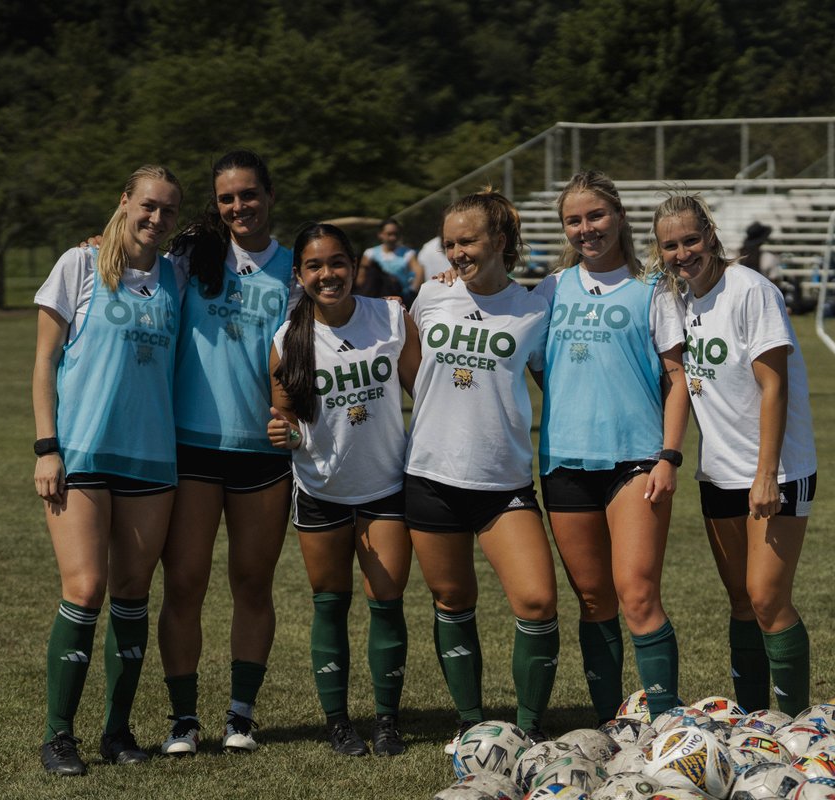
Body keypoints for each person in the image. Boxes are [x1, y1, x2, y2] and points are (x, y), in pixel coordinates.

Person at [32, 165, 183, 775]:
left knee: (131, 594)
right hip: (83, 453)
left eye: (168, 211)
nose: (156, 219)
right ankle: (58, 735)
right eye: (147, 206)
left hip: (153, 457)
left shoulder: (177, 276)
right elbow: (43, 362)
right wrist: (47, 446)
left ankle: (117, 733)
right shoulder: (77, 264)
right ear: (124, 202)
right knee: (85, 589)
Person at [651, 192, 817, 716]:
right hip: (717, 474)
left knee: (768, 599)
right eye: (671, 246)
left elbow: (775, 388)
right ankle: (752, 719)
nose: (683, 253)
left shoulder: (752, 290)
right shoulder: (677, 299)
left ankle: (794, 724)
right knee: (742, 603)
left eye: (691, 240)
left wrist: (766, 474)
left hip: (777, 471)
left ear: (711, 234)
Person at [534, 171, 689, 723]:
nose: (585, 229)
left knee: (638, 594)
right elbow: (528, 358)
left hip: (638, 460)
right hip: (564, 461)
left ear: (619, 217)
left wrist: (669, 456)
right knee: (594, 601)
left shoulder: (654, 288)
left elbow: (677, 377)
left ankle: (667, 725)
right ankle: (609, 721)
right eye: (573, 221)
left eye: (595, 216)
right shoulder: (552, 289)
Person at [406, 189, 559, 749]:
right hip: (429, 476)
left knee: (538, 600)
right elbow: (410, 367)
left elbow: (552, 383)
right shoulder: (430, 296)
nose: (456, 253)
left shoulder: (534, 310)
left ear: (499, 241)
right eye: (449, 243)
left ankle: (530, 727)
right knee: (453, 601)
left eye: (466, 241)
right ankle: (470, 724)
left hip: (504, 482)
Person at [156, 150, 295, 755]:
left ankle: (242, 714)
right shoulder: (191, 258)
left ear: (269, 195)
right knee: (184, 584)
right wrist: (96, 240)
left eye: (249, 194)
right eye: (226, 198)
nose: (239, 206)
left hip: (263, 454)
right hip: (190, 447)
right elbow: (133, 268)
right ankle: (183, 719)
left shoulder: (296, 268)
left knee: (252, 583)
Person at [267, 223, 421, 756]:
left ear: (354, 265)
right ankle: (338, 722)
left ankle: (386, 721)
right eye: (314, 266)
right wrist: (281, 432)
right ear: (300, 275)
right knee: (329, 604)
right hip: (321, 489)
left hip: (385, 487)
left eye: (337, 262)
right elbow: (285, 420)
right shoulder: (288, 338)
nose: (327, 274)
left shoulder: (390, 317)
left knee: (387, 601)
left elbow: (422, 390)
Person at [360, 218, 425, 303]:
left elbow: (419, 271)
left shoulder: (408, 253)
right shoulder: (370, 254)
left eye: (396, 234)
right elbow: (361, 277)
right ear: (380, 234)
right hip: (375, 299)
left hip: (400, 298)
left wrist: (411, 292)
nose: (393, 238)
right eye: (389, 234)